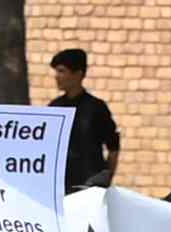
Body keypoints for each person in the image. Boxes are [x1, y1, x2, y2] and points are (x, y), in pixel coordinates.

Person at [46, 46, 122, 193]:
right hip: (61, 185)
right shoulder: (54, 108)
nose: (56, 76)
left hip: (90, 185)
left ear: (78, 74)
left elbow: (113, 146)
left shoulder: (96, 108)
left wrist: (106, 178)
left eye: (62, 71)